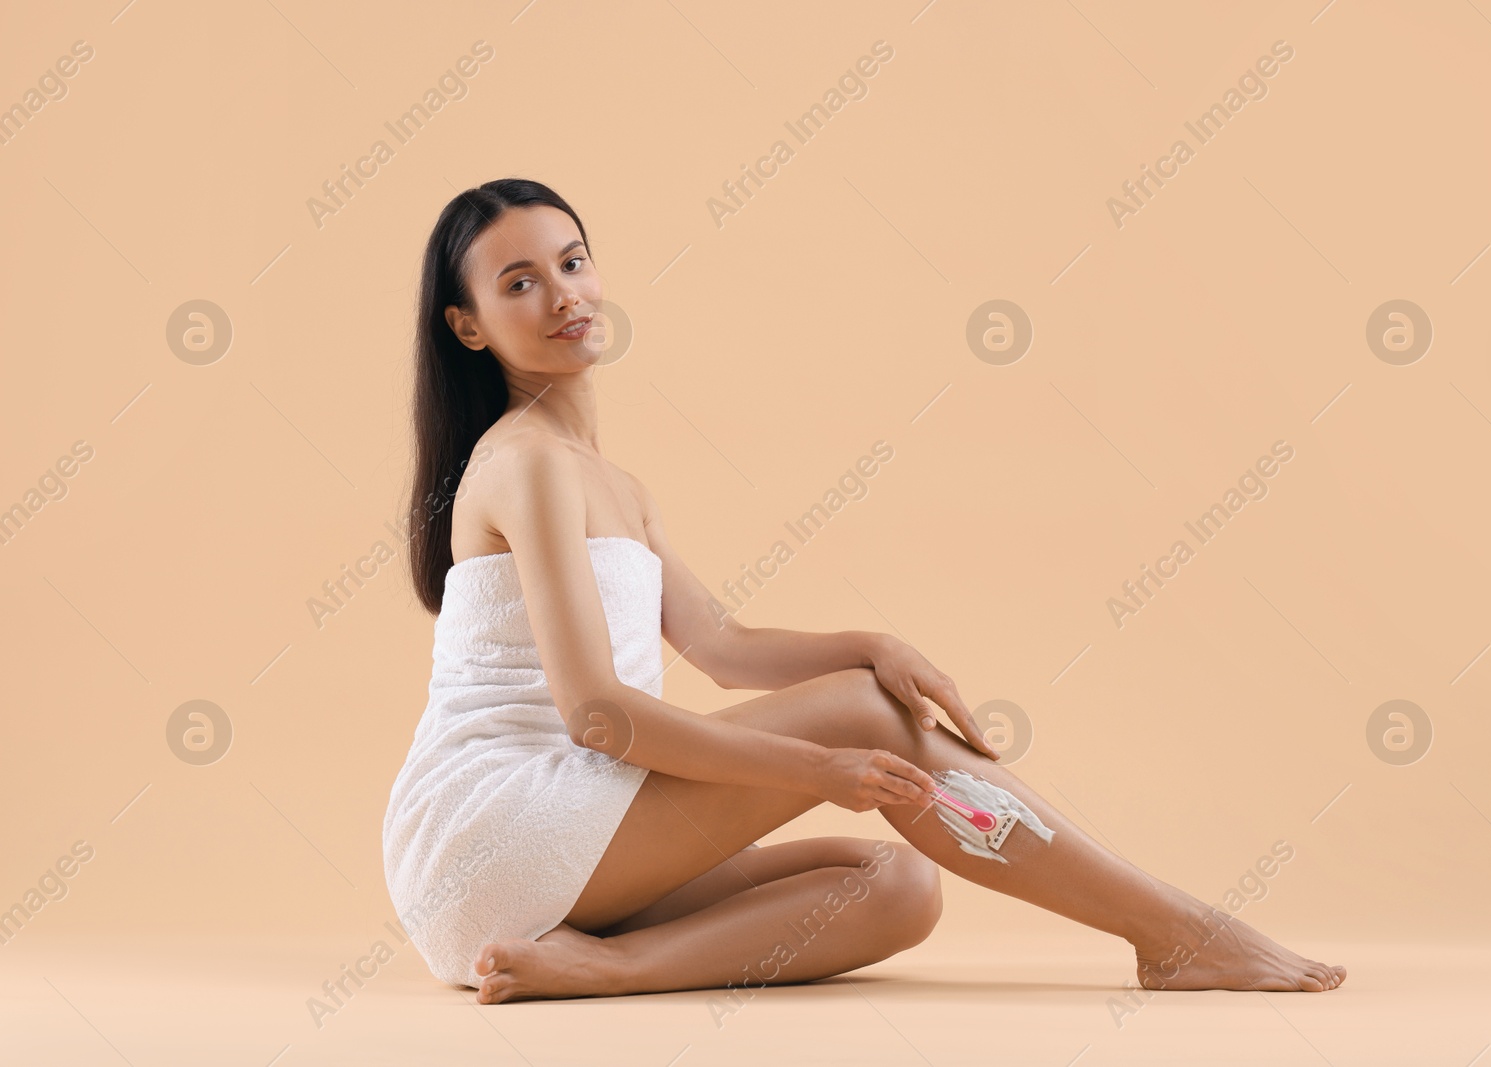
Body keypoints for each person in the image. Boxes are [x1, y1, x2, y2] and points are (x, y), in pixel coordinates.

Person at [382, 178, 1346, 1005]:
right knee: (857, 715)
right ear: (466, 326)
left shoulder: (612, 482)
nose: (563, 294)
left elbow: (721, 645)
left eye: (574, 262)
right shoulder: (525, 465)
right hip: (491, 832)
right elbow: (595, 713)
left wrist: (868, 642)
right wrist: (815, 767)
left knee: (897, 882)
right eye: (520, 283)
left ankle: (611, 966)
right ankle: (1172, 930)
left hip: (556, 853)